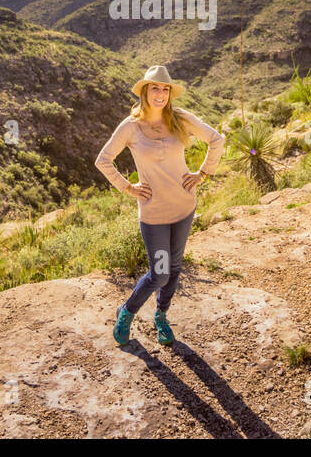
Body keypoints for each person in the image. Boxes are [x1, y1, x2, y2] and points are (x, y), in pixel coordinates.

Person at [95, 65, 224, 346]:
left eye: (165, 89)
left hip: (184, 208)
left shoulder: (179, 119)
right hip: (154, 213)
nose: (161, 94)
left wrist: (202, 173)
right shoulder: (131, 126)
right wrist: (128, 187)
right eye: (155, 88)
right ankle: (126, 313)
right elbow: (103, 160)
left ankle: (161, 317)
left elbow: (217, 139)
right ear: (144, 91)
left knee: (174, 268)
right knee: (159, 273)